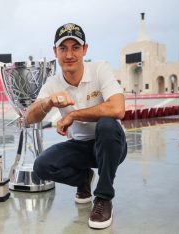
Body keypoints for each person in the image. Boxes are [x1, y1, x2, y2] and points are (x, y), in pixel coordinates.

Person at [25, 23, 127, 229]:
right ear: (55, 52)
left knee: (107, 125)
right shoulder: (53, 82)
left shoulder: (99, 68)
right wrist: (48, 102)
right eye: (63, 48)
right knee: (41, 166)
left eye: (75, 47)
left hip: (110, 144)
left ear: (85, 49)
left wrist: (74, 116)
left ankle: (103, 198)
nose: (69, 54)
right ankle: (83, 179)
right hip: (81, 147)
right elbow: (29, 117)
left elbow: (118, 109)